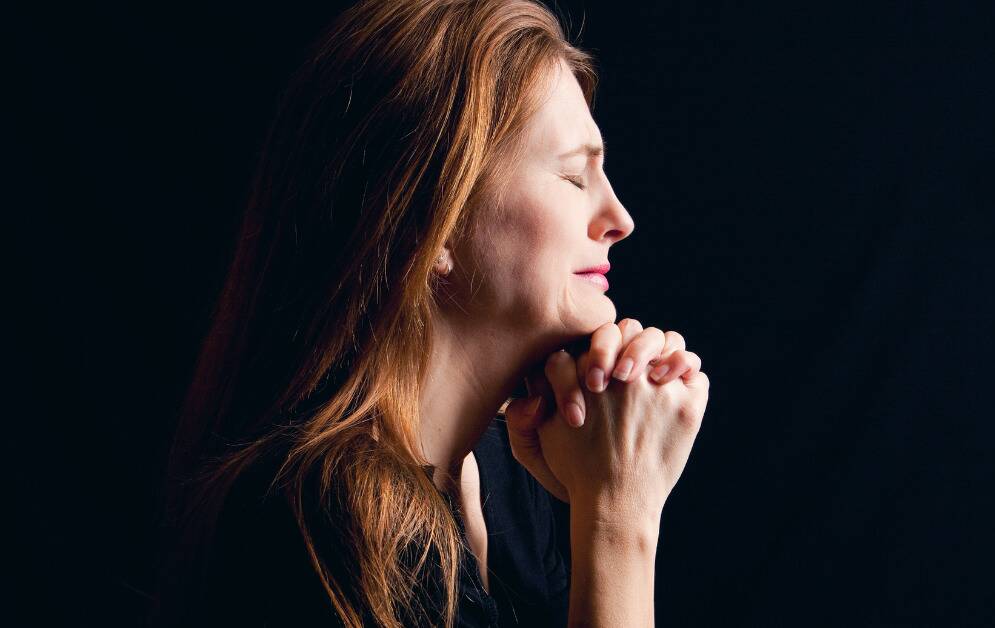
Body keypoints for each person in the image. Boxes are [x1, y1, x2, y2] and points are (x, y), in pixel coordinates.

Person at [152, 1, 710, 626]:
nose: (620, 220)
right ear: (430, 223)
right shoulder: (320, 524)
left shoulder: (504, 475)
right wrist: (618, 517)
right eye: (575, 178)